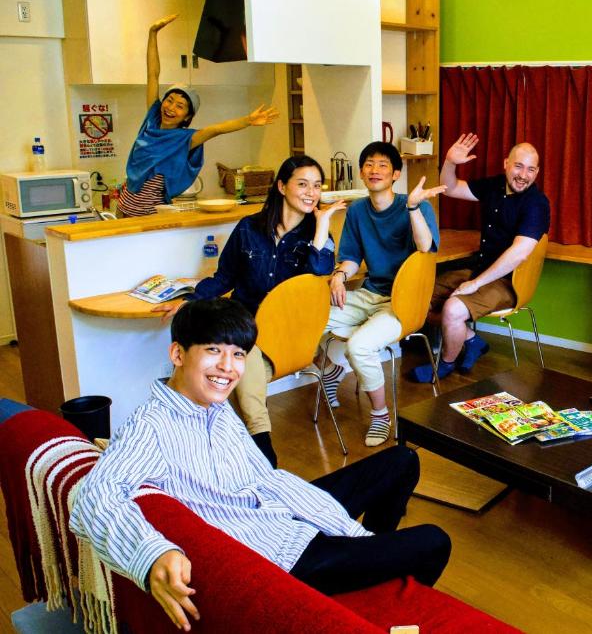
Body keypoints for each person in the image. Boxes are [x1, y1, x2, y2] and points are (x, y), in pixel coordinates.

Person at [69, 299, 451, 633]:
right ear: (178, 354)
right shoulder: (150, 426)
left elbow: (266, 480)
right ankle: (370, 573)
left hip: (284, 513)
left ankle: (369, 561)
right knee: (434, 541)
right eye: (214, 350)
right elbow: (93, 496)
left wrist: (347, 530)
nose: (228, 367)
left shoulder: (217, 408)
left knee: (402, 460)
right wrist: (151, 554)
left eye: (238, 354)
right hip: (282, 558)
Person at [154, 155, 344, 466]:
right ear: (282, 186)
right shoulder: (248, 228)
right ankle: (216, 441)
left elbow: (318, 276)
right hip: (245, 324)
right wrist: (190, 300)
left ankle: (257, 449)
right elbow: (224, 277)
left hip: (286, 331)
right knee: (223, 358)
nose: (311, 192)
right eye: (303, 184)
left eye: (317, 186)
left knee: (237, 358)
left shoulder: (318, 235)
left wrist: (322, 227)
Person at [320, 142, 443, 447]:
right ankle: (332, 371)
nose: (375, 170)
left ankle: (380, 415)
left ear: (395, 174)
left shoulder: (414, 205)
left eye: (383, 165)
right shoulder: (359, 210)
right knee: (309, 319)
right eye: (369, 164)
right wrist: (338, 276)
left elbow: (425, 248)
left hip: (405, 302)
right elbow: (350, 257)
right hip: (370, 293)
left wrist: (414, 208)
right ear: (361, 172)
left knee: (359, 346)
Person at [410, 133, 551, 383]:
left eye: (531, 169)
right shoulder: (495, 186)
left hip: (508, 282)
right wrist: (450, 162)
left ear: (537, 173)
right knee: (417, 295)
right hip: (481, 269)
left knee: (452, 309)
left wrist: (475, 284)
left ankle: (444, 365)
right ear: (506, 164)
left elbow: (518, 253)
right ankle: (471, 340)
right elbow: (450, 188)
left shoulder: (536, 203)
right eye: (518, 166)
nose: (523, 175)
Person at [119, 14, 279, 217]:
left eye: (180, 106)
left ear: (187, 116)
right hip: (122, 209)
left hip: (149, 216)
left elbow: (216, 129)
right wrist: (153, 33)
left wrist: (248, 120)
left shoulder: (186, 139)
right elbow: (153, 74)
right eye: (169, 100)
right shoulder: (151, 119)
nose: (170, 107)